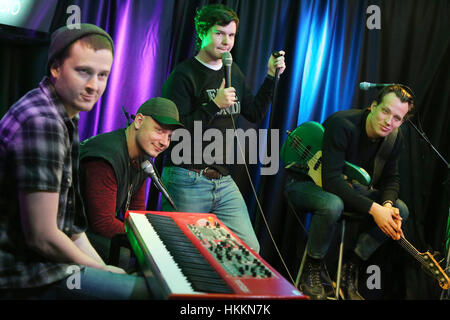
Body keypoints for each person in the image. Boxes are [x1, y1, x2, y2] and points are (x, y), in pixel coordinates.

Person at [0, 23, 151, 299]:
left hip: (45, 264)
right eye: (83, 72)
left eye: (103, 75)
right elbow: (42, 236)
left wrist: (102, 268)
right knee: (146, 295)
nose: (94, 86)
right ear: (56, 68)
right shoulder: (42, 121)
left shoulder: (63, 115)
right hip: (23, 274)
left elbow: (69, 228)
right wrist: (100, 270)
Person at [160, 4, 286, 253]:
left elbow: (254, 112)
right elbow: (173, 133)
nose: (226, 41)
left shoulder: (234, 72)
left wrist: (271, 77)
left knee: (248, 249)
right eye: (219, 33)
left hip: (223, 181)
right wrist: (213, 105)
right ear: (202, 32)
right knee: (185, 252)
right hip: (187, 177)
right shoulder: (184, 75)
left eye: (231, 35)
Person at [284, 85, 414, 300]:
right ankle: (312, 269)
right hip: (305, 183)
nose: (389, 121)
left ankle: (350, 269)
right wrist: (374, 209)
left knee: (400, 209)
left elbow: (392, 178)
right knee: (333, 203)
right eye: (385, 111)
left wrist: (387, 207)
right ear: (373, 106)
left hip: (345, 188)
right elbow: (331, 180)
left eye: (397, 118)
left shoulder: (394, 137)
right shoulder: (342, 123)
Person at [79, 98, 183, 261]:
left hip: (93, 236)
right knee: (132, 258)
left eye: (169, 136)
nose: (164, 142)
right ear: (139, 121)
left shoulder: (141, 158)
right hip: (76, 239)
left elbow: (136, 213)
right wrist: (152, 240)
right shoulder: (106, 156)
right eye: (159, 130)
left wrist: (155, 232)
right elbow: (103, 223)